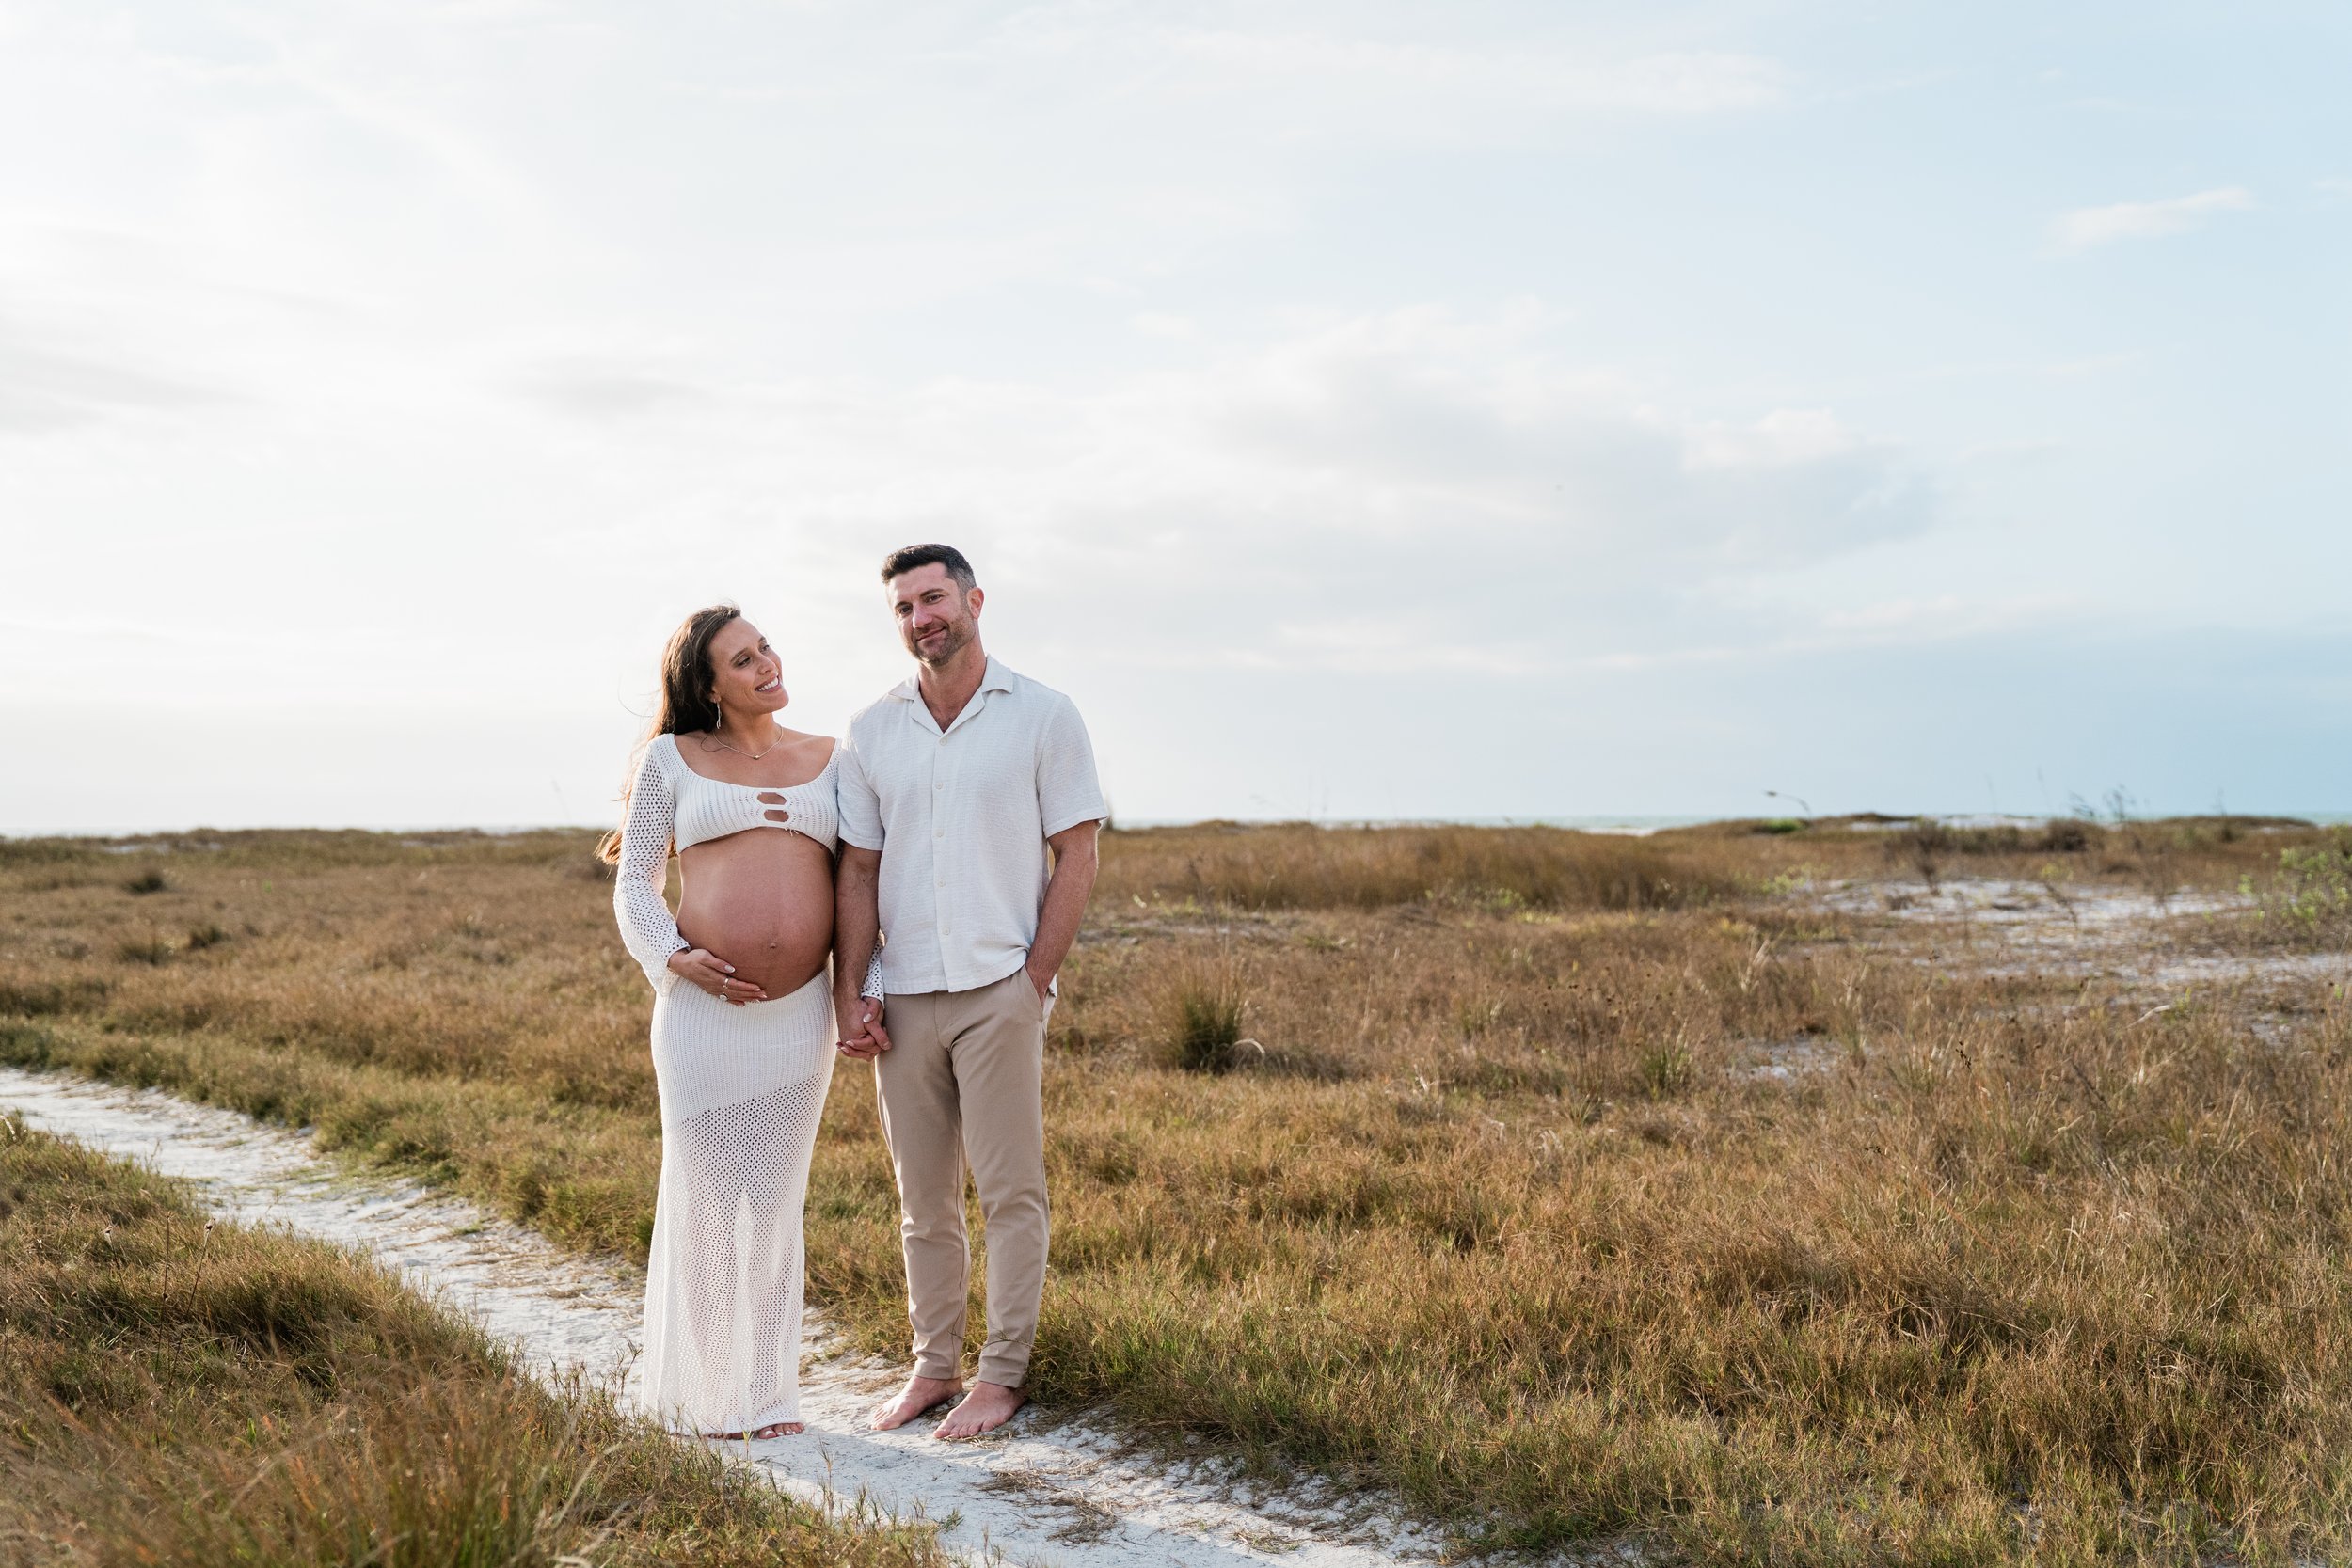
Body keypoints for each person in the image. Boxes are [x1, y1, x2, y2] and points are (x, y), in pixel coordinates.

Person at [827, 543, 1104, 1440]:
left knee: (1010, 1190)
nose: (921, 618)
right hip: (903, 996)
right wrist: (852, 989)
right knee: (923, 1200)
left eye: (934, 597)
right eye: (905, 607)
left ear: (975, 599)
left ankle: (1004, 1373)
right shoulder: (871, 731)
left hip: (999, 990)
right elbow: (859, 872)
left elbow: (1079, 853)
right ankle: (934, 1368)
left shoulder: (1044, 715)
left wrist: (1034, 980)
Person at [603, 603, 883, 1440]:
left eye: (765, 648)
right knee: (707, 1202)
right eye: (741, 660)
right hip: (699, 1018)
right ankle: (706, 1394)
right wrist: (671, 955)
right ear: (709, 685)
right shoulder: (672, 758)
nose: (766, 664)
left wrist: (854, 992)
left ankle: (766, 1394)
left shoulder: (834, 759)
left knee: (774, 1202)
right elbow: (635, 882)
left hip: (796, 1018)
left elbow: (858, 884)